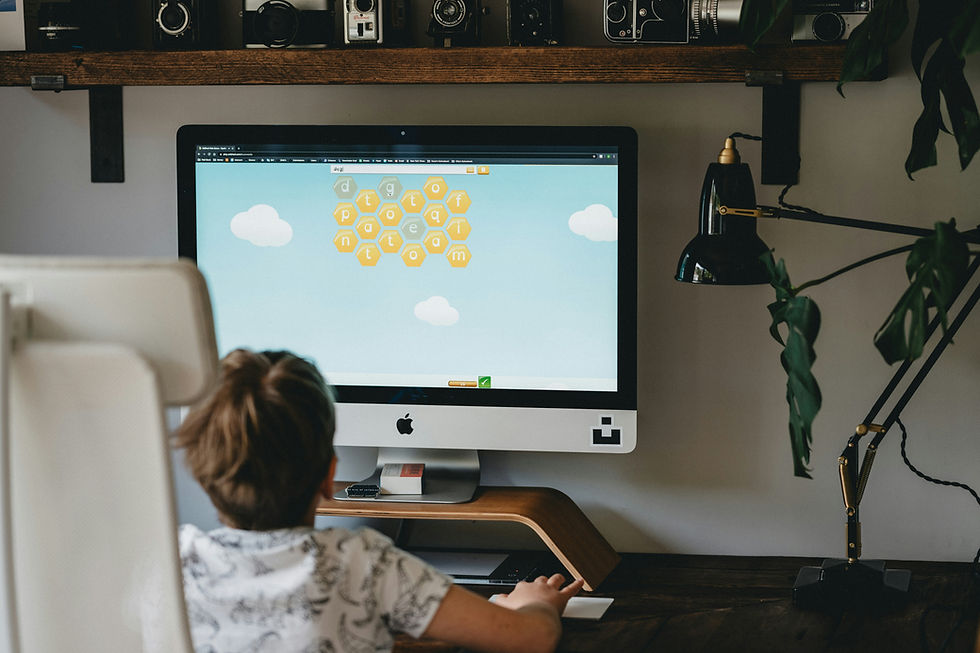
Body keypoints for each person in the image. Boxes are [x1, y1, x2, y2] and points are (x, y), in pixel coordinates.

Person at [175, 348, 583, 653]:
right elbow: (532, 640)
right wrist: (536, 604)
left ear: (201, 473)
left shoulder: (174, 563)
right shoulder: (361, 562)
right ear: (329, 475)